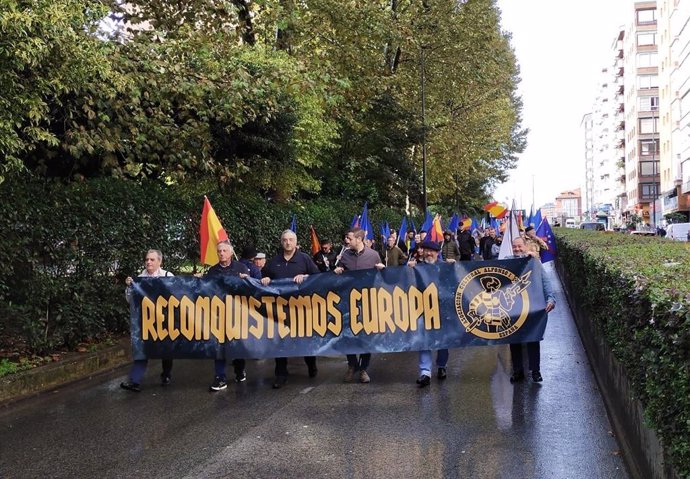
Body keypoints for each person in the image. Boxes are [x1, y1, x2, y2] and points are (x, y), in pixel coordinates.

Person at [261, 230, 321, 389]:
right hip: (279, 309)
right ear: (281, 242)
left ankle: (311, 364)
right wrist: (265, 279)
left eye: (291, 240)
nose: (288, 242)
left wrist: (306, 277)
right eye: (285, 240)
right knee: (279, 341)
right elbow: (263, 278)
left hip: (301, 308)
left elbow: (318, 277)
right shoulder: (274, 262)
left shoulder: (305, 259)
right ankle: (280, 374)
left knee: (304, 339)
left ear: (296, 242)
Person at [334, 227, 386, 383]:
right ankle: (352, 365)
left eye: (349, 238)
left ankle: (363, 368)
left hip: (368, 301)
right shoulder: (345, 255)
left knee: (366, 335)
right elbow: (337, 275)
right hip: (348, 301)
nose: (346, 241)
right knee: (348, 334)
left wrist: (383, 270)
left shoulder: (373, 255)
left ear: (359, 239)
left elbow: (384, 278)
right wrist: (336, 270)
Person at [121, 249, 174, 392]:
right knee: (142, 349)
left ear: (159, 261)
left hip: (164, 320)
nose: (148, 262)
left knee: (166, 350)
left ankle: (166, 374)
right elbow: (130, 300)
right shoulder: (139, 278)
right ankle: (135, 380)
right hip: (146, 320)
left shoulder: (168, 276)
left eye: (152, 259)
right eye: (147, 259)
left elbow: (178, 296)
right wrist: (129, 287)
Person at [507, 237, 556, 383]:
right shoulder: (507, 262)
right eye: (514, 246)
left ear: (525, 246)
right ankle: (518, 371)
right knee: (514, 339)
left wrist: (551, 298)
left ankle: (535, 371)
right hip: (513, 308)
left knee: (533, 338)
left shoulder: (534, 261)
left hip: (532, 306)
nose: (517, 249)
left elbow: (545, 280)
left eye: (519, 246)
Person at [206, 241, 250, 392]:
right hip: (218, 314)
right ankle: (220, 377)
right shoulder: (212, 270)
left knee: (236, 345)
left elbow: (250, 289)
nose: (221, 253)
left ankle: (239, 370)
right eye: (219, 251)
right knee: (219, 346)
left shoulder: (241, 268)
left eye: (224, 251)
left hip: (237, 313)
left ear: (231, 253)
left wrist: (246, 280)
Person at [407, 239, 450, 387]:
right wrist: (408, 269)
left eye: (432, 251)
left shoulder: (445, 267)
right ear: (422, 252)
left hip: (442, 308)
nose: (429, 253)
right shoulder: (417, 267)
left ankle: (442, 365)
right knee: (423, 339)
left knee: (443, 339)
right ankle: (425, 372)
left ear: (437, 253)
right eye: (426, 250)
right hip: (423, 308)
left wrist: (454, 267)